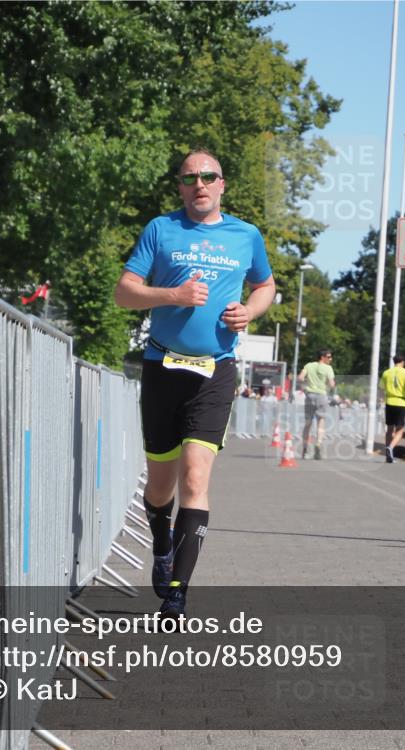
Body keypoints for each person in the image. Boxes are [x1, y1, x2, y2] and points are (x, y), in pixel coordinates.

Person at [115, 148, 275, 617]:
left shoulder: (246, 236)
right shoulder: (160, 230)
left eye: (209, 176)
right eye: (190, 178)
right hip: (162, 368)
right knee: (160, 486)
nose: (199, 184)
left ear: (223, 184)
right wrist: (172, 294)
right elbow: (125, 292)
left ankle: (178, 593)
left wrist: (252, 309)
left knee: (195, 476)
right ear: (181, 187)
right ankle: (161, 537)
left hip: (215, 371)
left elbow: (265, 285)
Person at [379, 355, 405, 463]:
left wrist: (383, 399)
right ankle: (390, 448)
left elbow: (381, 388)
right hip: (401, 402)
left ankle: (388, 456)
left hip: (389, 401)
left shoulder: (387, 373)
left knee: (389, 429)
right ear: (403, 362)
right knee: (400, 430)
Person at [298, 349, 336, 459]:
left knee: (308, 423)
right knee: (321, 421)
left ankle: (305, 449)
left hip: (309, 395)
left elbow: (300, 378)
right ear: (322, 357)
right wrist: (329, 387)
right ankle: (318, 444)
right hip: (322, 396)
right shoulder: (328, 368)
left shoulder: (309, 365)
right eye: (329, 357)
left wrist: (306, 387)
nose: (331, 359)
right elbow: (332, 384)